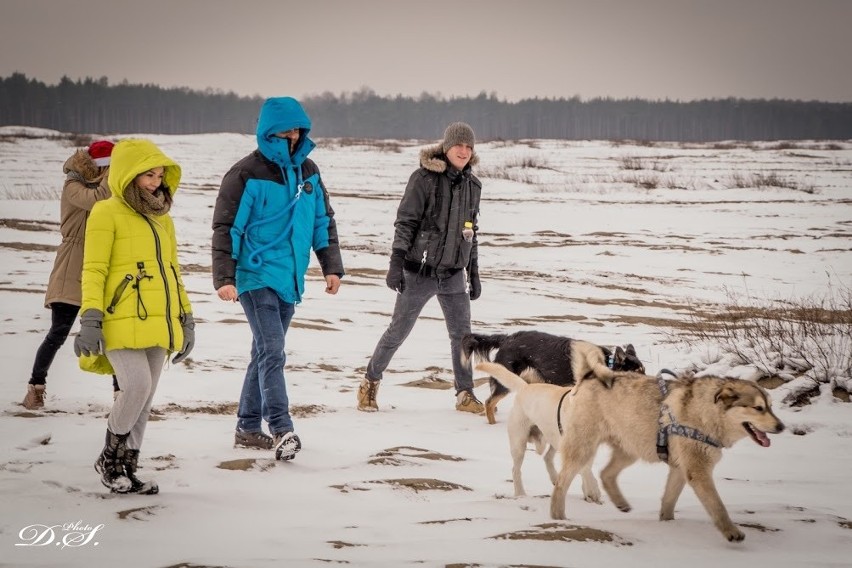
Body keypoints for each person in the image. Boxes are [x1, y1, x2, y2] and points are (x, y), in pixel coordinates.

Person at [212, 97, 344, 461]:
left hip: (290, 278)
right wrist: (225, 276)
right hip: (254, 276)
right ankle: (282, 428)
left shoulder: (309, 172)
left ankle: (247, 427)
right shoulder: (245, 173)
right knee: (272, 350)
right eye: (284, 130)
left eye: (296, 129)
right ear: (267, 132)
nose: (291, 136)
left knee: (262, 353)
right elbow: (226, 228)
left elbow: (322, 221)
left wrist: (330, 266)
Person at [73, 139, 194, 494]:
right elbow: (93, 269)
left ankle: (129, 466)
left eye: (159, 175)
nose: (156, 182)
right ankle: (109, 460)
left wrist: (185, 318)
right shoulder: (106, 212)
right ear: (128, 175)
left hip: (159, 319)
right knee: (135, 386)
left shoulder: (162, 219)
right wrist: (90, 318)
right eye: (148, 175)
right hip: (118, 317)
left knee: (145, 398)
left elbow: (174, 272)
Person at [358, 122, 484, 414]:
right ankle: (370, 382)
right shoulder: (423, 179)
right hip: (419, 272)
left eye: (468, 147)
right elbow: (406, 223)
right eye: (458, 145)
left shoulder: (473, 186)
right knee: (398, 332)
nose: (463, 151)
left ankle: (465, 393)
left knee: (463, 337)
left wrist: (473, 271)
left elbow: (471, 230)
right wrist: (396, 263)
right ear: (446, 147)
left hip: (453, 275)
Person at [21, 140, 120, 410]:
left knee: (113, 334)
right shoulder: (73, 186)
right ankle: (35, 388)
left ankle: (120, 394)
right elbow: (97, 199)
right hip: (72, 265)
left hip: (104, 266)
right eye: (112, 167)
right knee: (59, 332)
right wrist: (117, 169)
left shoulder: (109, 189)